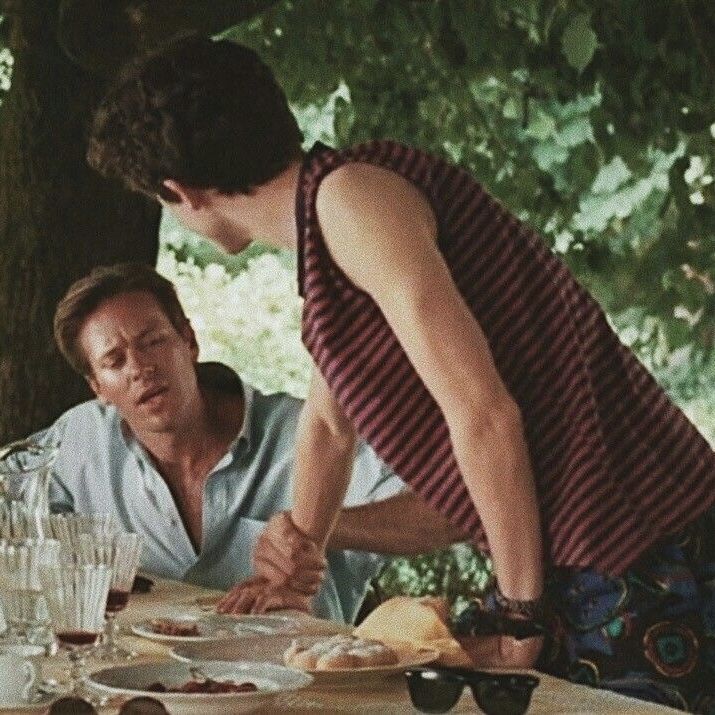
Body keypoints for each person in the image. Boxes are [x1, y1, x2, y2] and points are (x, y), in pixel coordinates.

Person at [86, 36, 715, 710]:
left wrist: (519, 614)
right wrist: (299, 549)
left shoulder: (351, 203)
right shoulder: (332, 229)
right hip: (593, 553)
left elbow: (484, 413)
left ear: (177, 191)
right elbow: (329, 424)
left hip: (638, 544)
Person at [42, 263, 465, 623]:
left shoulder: (312, 435)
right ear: (97, 385)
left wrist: (315, 527)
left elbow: (456, 509)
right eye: (114, 361)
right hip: (139, 691)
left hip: (305, 693)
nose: (140, 369)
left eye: (153, 342)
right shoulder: (79, 439)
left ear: (188, 341)